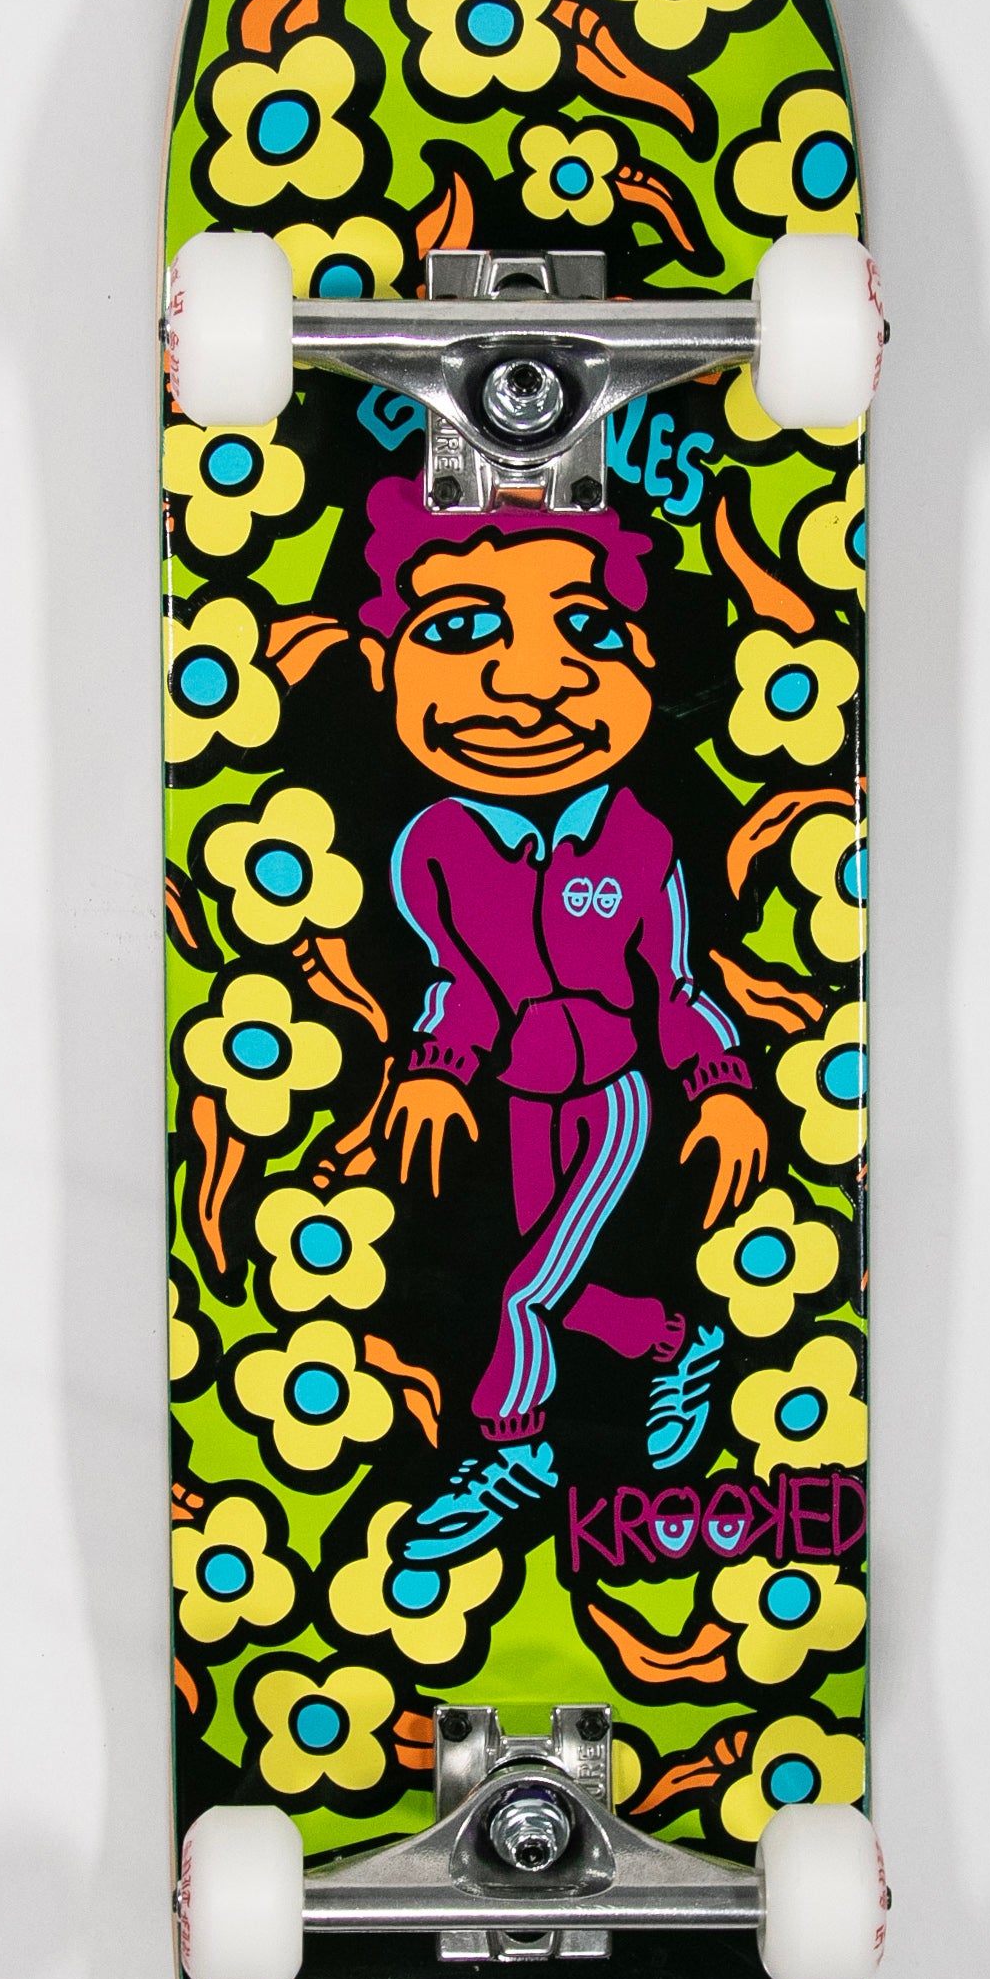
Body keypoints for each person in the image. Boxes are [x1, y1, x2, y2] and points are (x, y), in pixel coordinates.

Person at [353, 476, 767, 1561]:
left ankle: (513, 1449)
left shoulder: (637, 838)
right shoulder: (435, 846)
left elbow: (674, 986)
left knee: (524, 1291)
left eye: (588, 631)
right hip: (523, 1101)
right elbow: (459, 982)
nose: (530, 684)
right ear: (383, 664)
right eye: (459, 631)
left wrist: (719, 1091)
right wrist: (438, 1068)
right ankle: (677, 1340)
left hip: (615, 1100)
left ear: (645, 665)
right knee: (556, 1286)